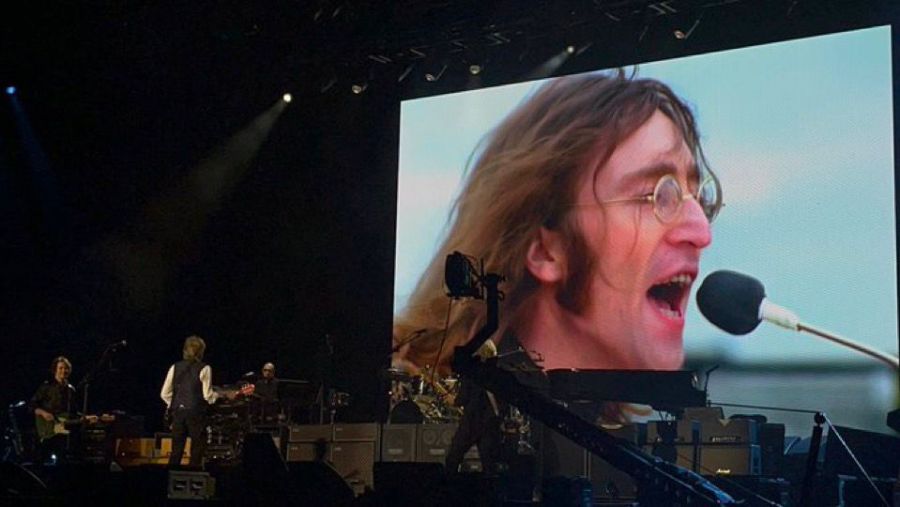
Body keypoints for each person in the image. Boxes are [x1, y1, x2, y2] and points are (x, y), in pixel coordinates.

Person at [394, 70, 722, 378]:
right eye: (654, 196)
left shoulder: (615, 432)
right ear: (546, 252)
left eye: (698, 196)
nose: (701, 231)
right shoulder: (411, 405)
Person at [160, 335, 221, 468]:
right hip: (196, 412)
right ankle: (194, 480)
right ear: (201, 351)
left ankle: (170, 480)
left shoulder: (175, 367)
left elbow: (164, 393)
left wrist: (175, 403)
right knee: (197, 448)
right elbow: (208, 396)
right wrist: (218, 395)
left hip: (178, 412)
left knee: (176, 450)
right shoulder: (205, 368)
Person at [444, 340, 504, 475]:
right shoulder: (498, 374)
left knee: (453, 458)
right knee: (489, 464)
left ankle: (448, 489)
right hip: (491, 422)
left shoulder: (472, 372)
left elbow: (462, 399)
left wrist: (452, 400)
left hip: (472, 421)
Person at [31, 356, 77, 463]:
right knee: (41, 459)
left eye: (66, 368)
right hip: (47, 428)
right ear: (55, 370)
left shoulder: (71, 389)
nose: (63, 371)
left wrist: (87, 418)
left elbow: (73, 413)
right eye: (60, 368)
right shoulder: (46, 386)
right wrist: (43, 413)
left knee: (63, 459)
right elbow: (32, 405)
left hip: (62, 428)